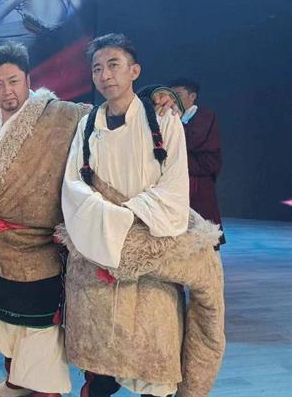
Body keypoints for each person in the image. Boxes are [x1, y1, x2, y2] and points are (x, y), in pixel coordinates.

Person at [61, 34, 225, 397]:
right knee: (102, 360)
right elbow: (74, 184)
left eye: (114, 65)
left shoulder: (162, 120)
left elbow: (174, 188)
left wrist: (124, 217)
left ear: (134, 70)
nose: (106, 75)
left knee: (155, 357)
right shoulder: (88, 125)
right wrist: (106, 219)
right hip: (100, 249)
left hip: (150, 247)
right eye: (97, 68)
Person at [0, 43, 91, 397]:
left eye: (13, 81)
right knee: (6, 324)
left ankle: (42, 390)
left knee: (39, 331)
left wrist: (156, 97)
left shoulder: (62, 114)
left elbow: (108, 117)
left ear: (28, 79)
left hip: (38, 246)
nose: (7, 91)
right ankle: (16, 383)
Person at [169, 78, 225, 246]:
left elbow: (192, 141)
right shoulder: (169, 116)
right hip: (178, 175)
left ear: (192, 96)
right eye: (171, 95)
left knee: (204, 220)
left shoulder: (205, 116)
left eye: (178, 95)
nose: (173, 100)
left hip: (199, 175)